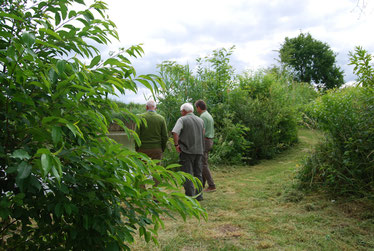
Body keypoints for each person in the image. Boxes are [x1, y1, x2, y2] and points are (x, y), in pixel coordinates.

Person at [172, 103, 205, 201]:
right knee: (198, 173)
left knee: (187, 173)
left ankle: (190, 196)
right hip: (199, 151)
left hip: (186, 151)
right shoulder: (200, 120)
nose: (181, 113)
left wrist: (176, 145)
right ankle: (199, 195)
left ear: (184, 111)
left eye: (181, 111)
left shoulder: (182, 119)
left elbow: (175, 132)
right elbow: (203, 133)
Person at [136, 100, 168, 186]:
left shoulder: (140, 117)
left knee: (141, 169)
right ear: (155, 108)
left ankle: (142, 191)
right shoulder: (161, 118)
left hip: (142, 148)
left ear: (146, 107)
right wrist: (162, 148)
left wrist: (137, 148)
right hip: (157, 148)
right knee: (156, 170)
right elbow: (165, 136)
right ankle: (155, 194)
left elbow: (136, 135)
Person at [195, 100, 216, 192]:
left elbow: (202, 131)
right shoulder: (208, 115)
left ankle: (212, 185)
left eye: (196, 108)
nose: (196, 110)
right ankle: (202, 184)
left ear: (199, 107)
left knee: (203, 164)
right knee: (203, 162)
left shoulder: (203, 117)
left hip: (205, 141)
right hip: (209, 140)